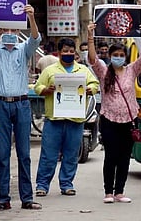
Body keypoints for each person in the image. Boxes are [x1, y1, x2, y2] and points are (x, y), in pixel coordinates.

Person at [0, 3, 42, 212]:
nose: (8, 33)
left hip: (22, 104)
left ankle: (27, 198)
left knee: (24, 153)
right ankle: (3, 198)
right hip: (0, 105)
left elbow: (35, 39)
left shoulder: (23, 51)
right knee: (3, 153)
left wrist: (31, 18)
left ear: (18, 31)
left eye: (13, 30)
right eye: (4, 30)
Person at [88, 22, 141, 203]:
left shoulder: (131, 70)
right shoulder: (103, 71)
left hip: (129, 120)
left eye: (122, 55)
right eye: (115, 55)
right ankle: (108, 192)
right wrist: (90, 36)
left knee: (124, 157)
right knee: (111, 156)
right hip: (109, 120)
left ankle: (120, 192)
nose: (118, 58)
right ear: (109, 56)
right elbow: (92, 58)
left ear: (126, 57)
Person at [34, 38, 99, 197]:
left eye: (71, 51)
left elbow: (95, 85)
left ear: (75, 53)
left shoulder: (83, 70)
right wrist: (46, 90)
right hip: (54, 120)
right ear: (59, 52)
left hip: (75, 120)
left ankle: (67, 184)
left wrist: (90, 89)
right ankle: (42, 185)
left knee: (71, 155)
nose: (68, 54)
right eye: (65, 51)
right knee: (48, 155)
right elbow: (37, 87)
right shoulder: (50, 70)